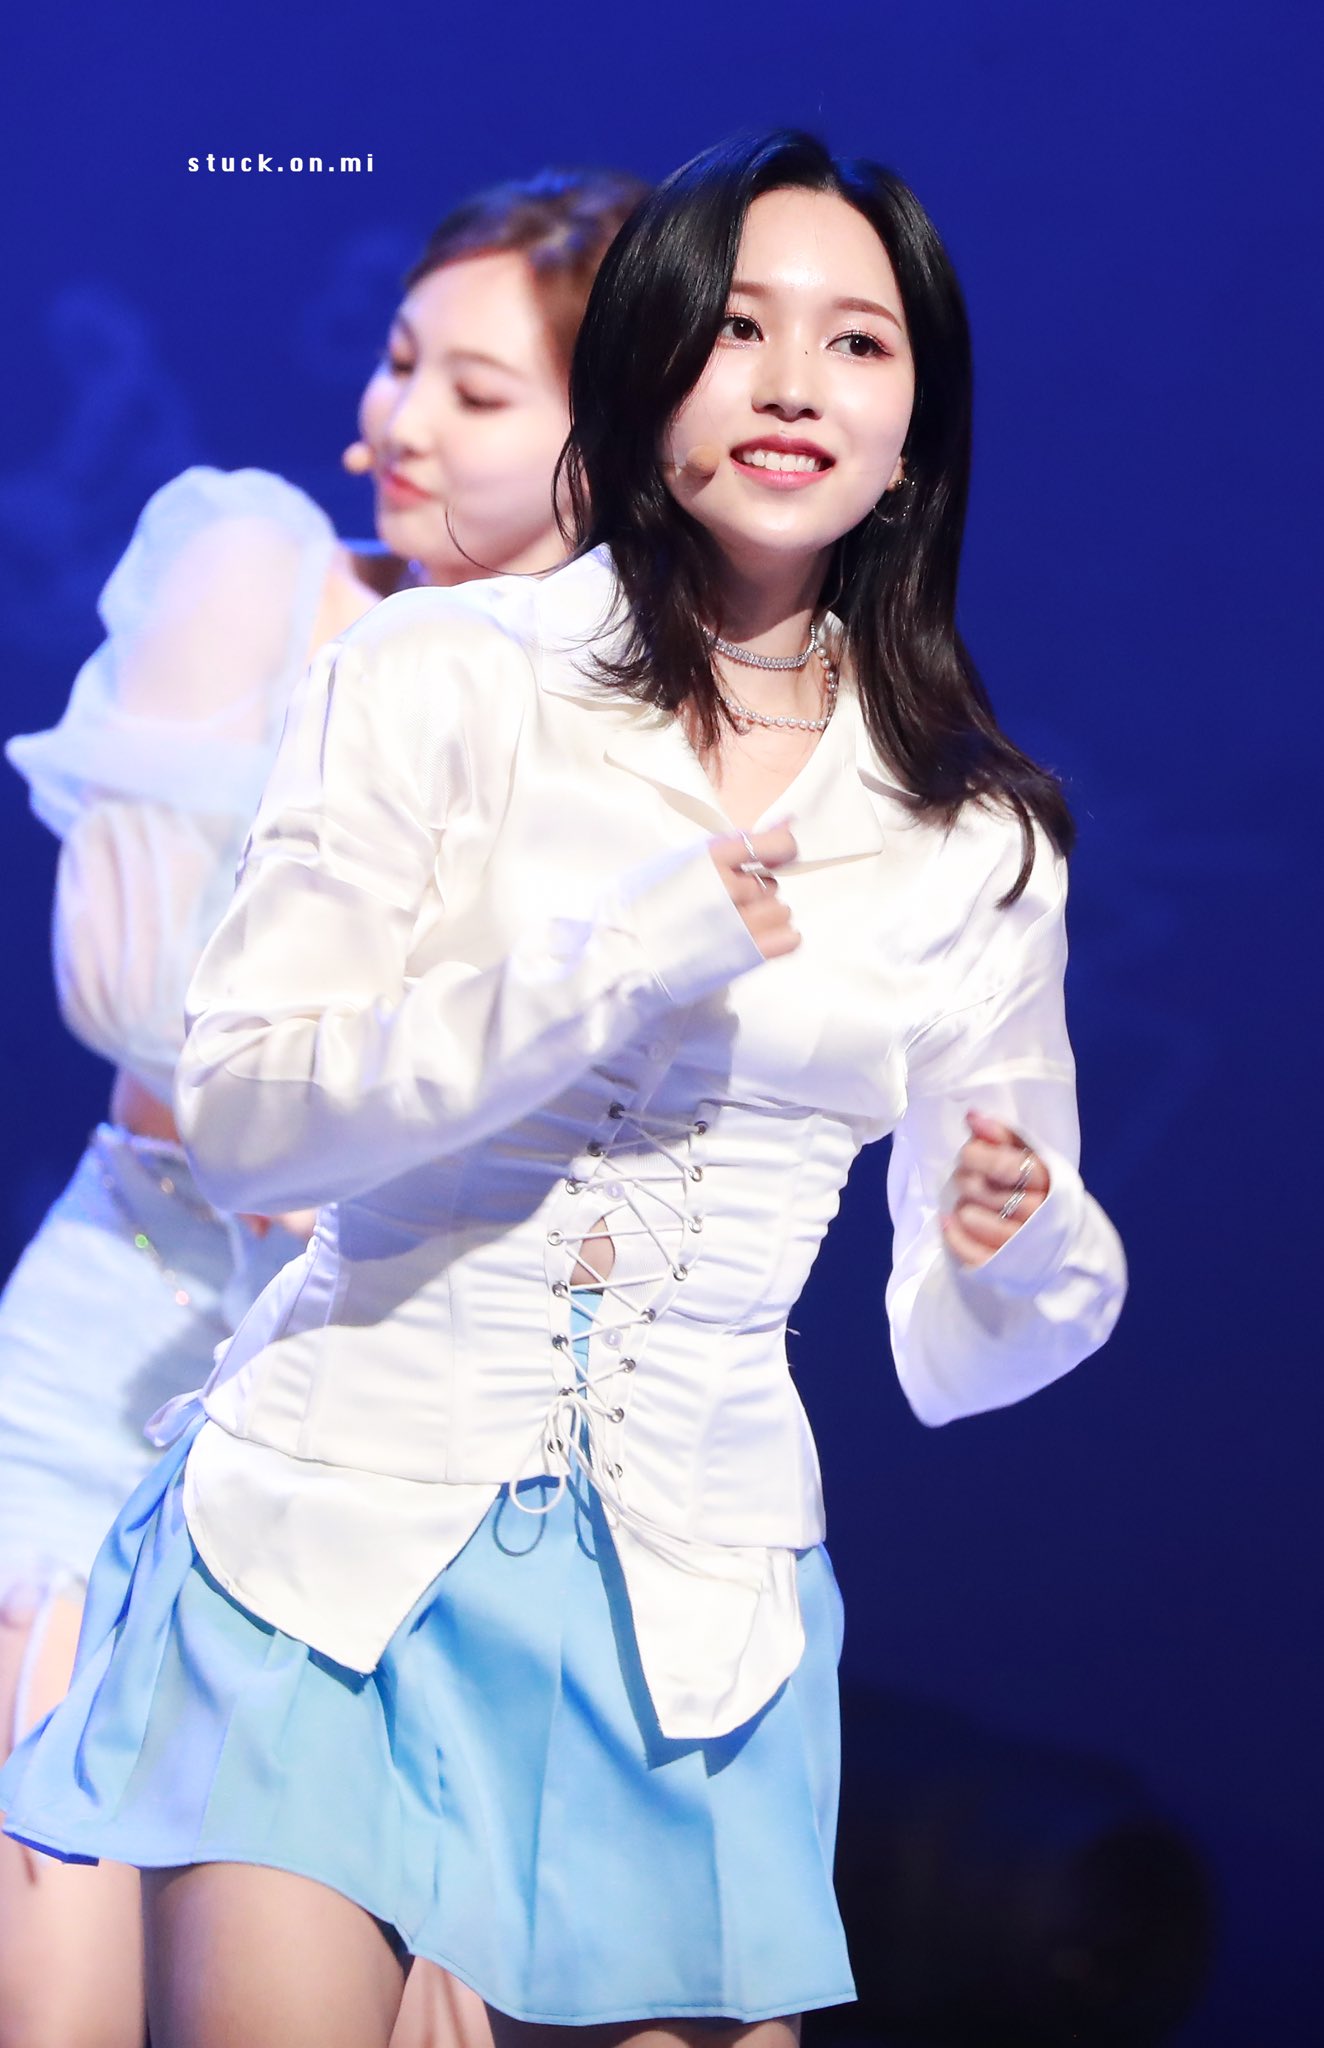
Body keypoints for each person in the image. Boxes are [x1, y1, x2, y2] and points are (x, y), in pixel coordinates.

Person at [0, 130, 1127, 2048]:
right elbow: (250, 1109)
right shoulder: (439, 673)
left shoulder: (976, 835)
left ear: (914, 431)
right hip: (327, 1544)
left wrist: (1013, 1233)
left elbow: (998, 1316)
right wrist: (617, 955)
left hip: (693, 1607)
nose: (794, 383)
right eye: (741, 330)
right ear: (648, 369)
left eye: (858, 342)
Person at [0, 166, 646, 2048]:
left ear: (610, 449)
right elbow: (132, 994)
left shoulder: (636, 725)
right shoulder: (264, 581)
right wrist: (344, 1120)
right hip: (128, 1355)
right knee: (54, 1960)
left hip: (403, 1437)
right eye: (399, 359)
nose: (399, 417)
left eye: (475, 389)